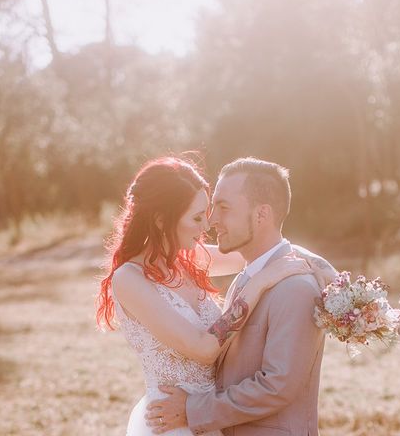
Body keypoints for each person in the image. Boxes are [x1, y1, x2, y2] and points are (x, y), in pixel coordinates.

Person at [96, 156, 335, 436]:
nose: (206, 225)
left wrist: (327, 272)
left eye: (209, 211)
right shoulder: (129, 278)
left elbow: (261, 246)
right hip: (172, 421)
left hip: (210, 418)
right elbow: (204, 348)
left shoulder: (186, 258)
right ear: (162, 220)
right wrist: (257, 285)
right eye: (197, 217)